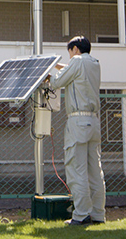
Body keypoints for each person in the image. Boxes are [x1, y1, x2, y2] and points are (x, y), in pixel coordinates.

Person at [47, 35, 106, 226]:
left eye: (70, 52)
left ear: (74, 49)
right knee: (95, 171)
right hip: (94, 121)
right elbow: (73, 72)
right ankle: (98, 215)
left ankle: (81, 215)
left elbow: (56, 83)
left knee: (76, 169)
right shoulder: (94, 64)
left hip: (78, 121)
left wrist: (48, 75)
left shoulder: (77, 61)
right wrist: (59, 66)